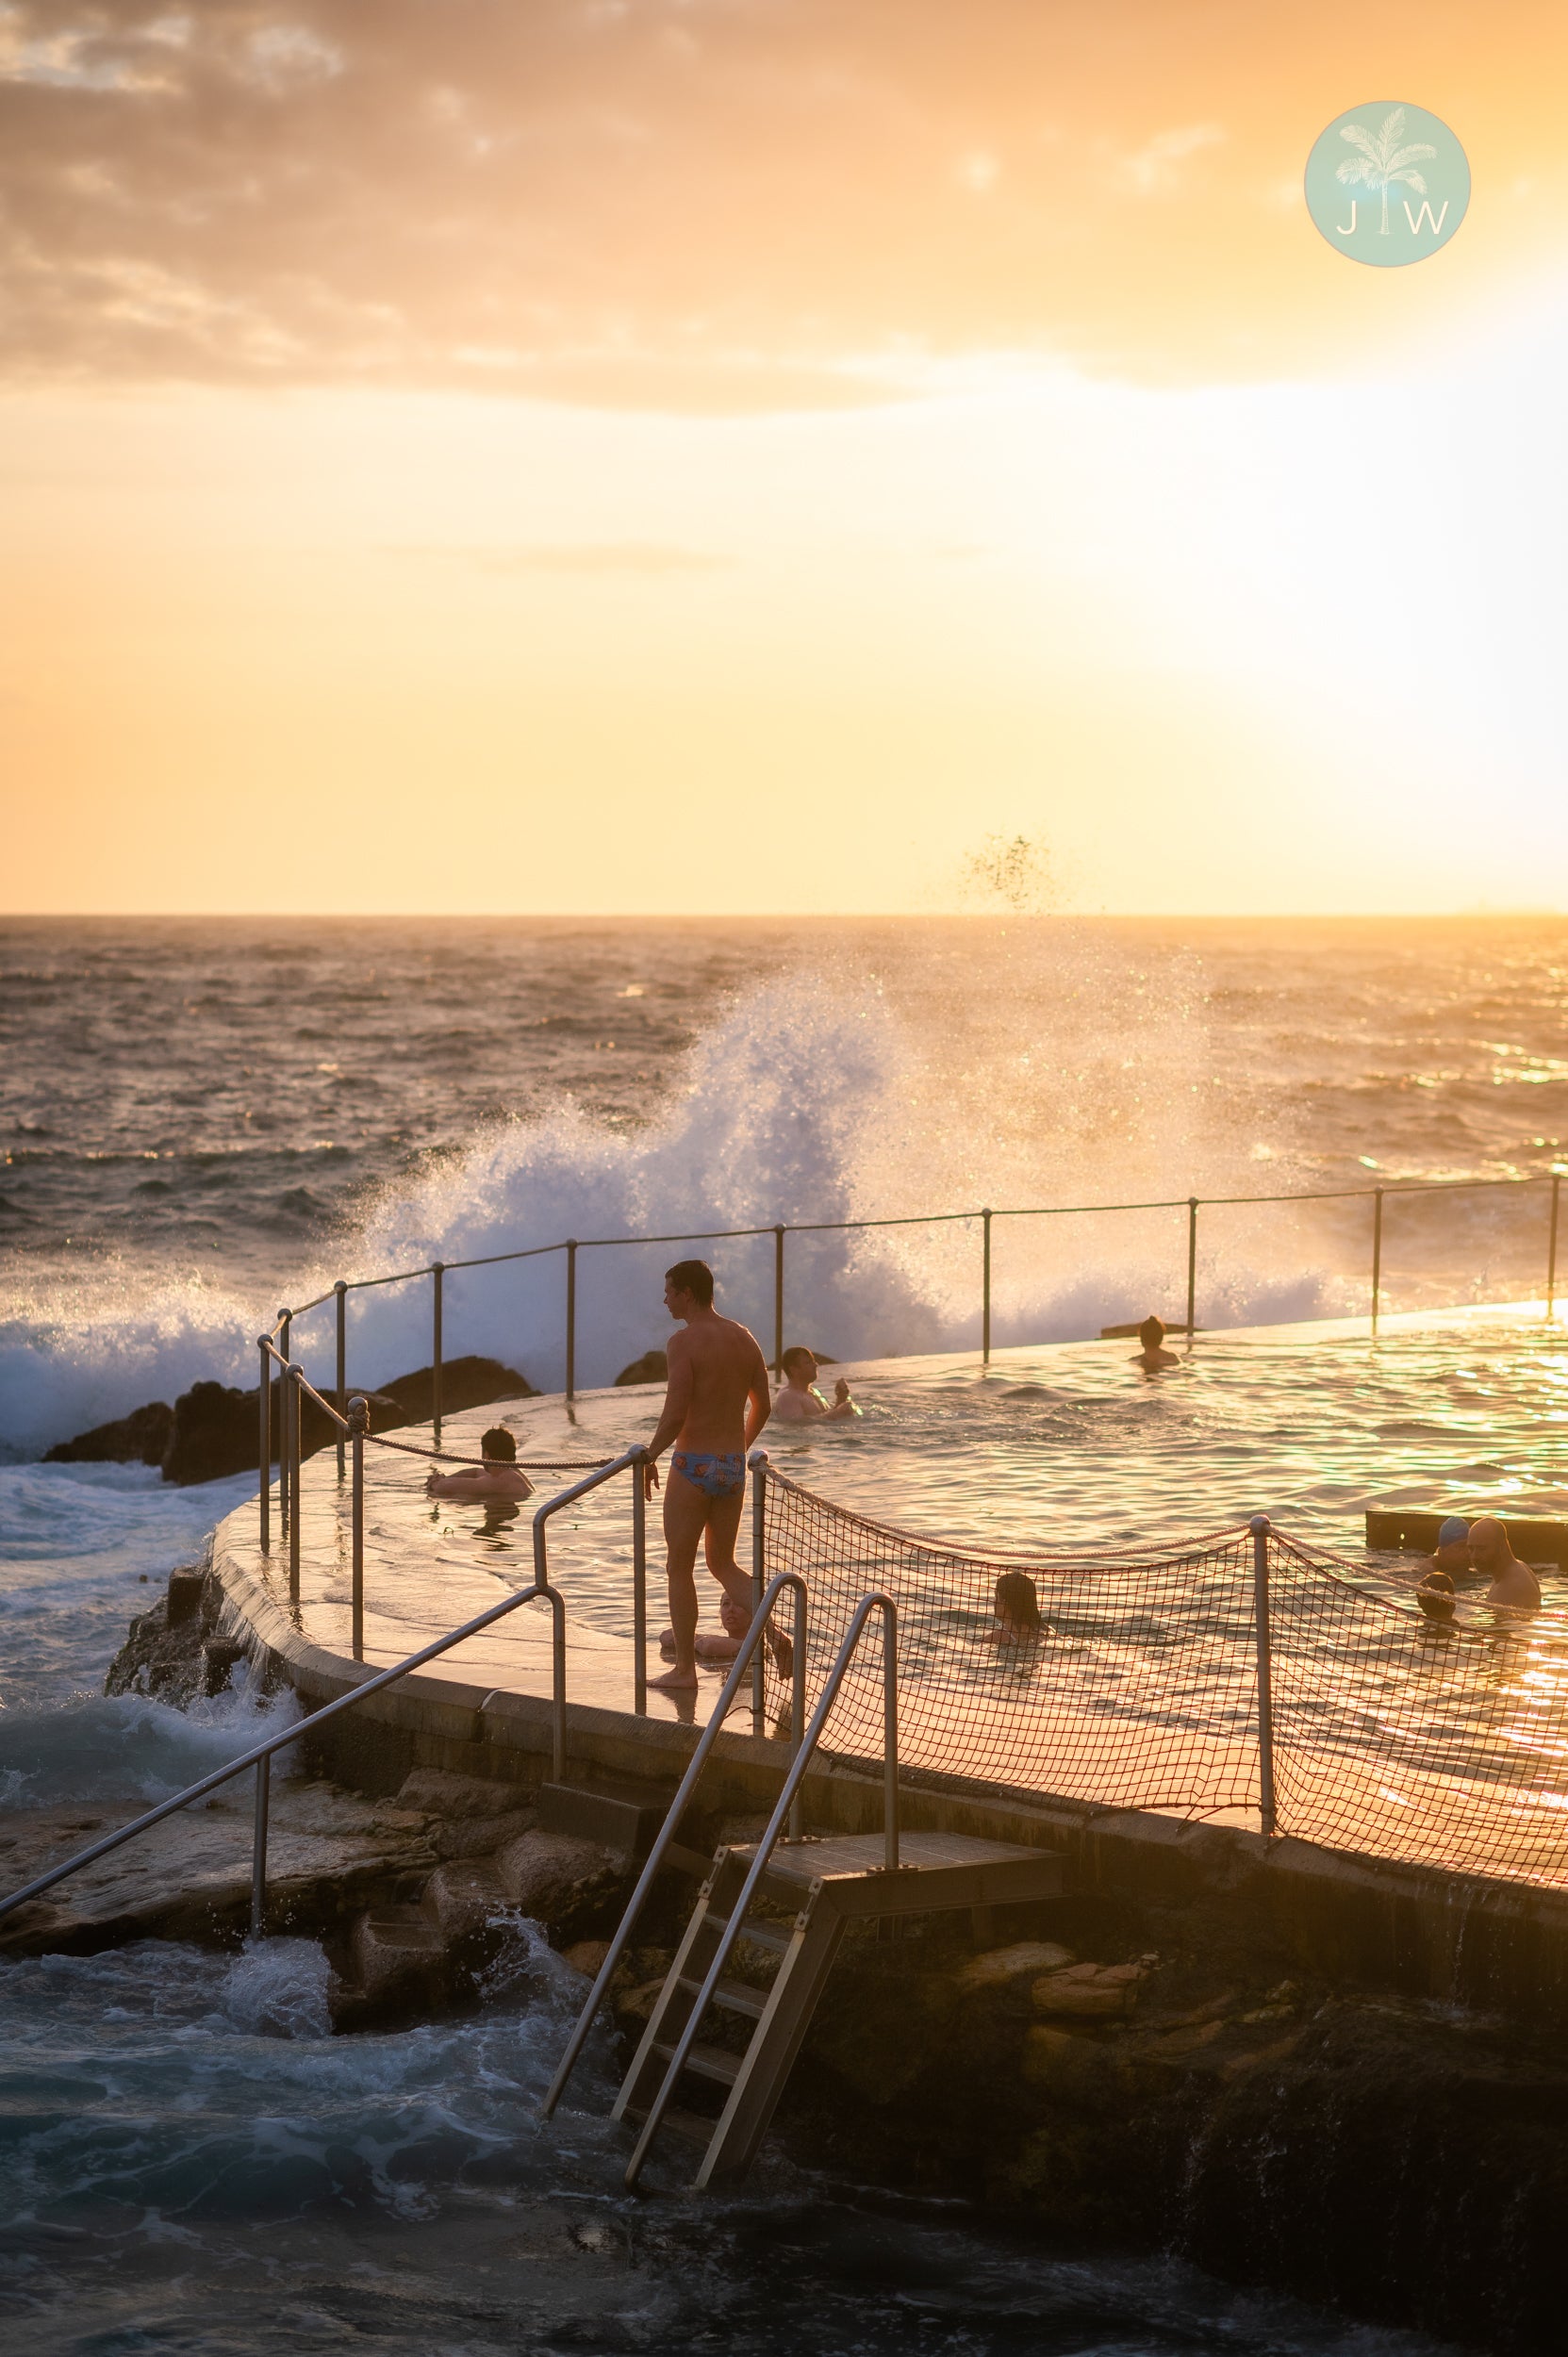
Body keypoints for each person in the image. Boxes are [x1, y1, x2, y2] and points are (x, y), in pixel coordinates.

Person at [642, 1259, 783, 1692]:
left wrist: (649, 1455)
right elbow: (764, 1403)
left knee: (678, 1566)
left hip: (692, 1465)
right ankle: (779, 1639)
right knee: (723, 1563)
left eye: (669, 1291)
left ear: (687, 1292)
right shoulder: (744, 1338)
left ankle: (684, 1671)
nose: (664, 1299)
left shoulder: (682, 1342)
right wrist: (737, 1449)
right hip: (731, 1466)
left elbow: (675, 1412)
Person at [425, 1426, 536, 1501]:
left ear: (486, 1455)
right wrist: (446, 1478)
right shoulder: (511, 1473)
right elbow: (476, 1472)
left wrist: (434, 1482)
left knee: (460, 1500)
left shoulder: (499, 1481)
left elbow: (442, 1487)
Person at [1469, 1515, 1541, 1615]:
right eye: (1471, 1548)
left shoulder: (1511, 1589)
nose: (1474, 1556)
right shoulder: (1518, 1567)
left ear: (1501, 1546)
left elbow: (1501, 1630)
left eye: (1482, 1549)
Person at [771, 1345, 860, 1425]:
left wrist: (841, 1398)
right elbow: (795, 1424)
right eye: (808, 1362)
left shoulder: (813, 1392)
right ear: (794, 1370)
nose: (815, 1365)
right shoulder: (788, 1396)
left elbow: (827, 1421)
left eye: (813, 1361)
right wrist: (837, 1412)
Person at [1414, 1516, 1471, 1624]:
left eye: (1469, 1546)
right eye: (1461, 1546)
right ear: (1442, 1549)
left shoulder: (1467, 1565)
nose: (1468, 1552)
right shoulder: (1426, 1571)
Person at [980, 1570, 1047, 1643]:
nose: (994, 1601)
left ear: (1005, 1603)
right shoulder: (1046, 1630)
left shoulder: (995, 1638)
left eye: (996, 1596)